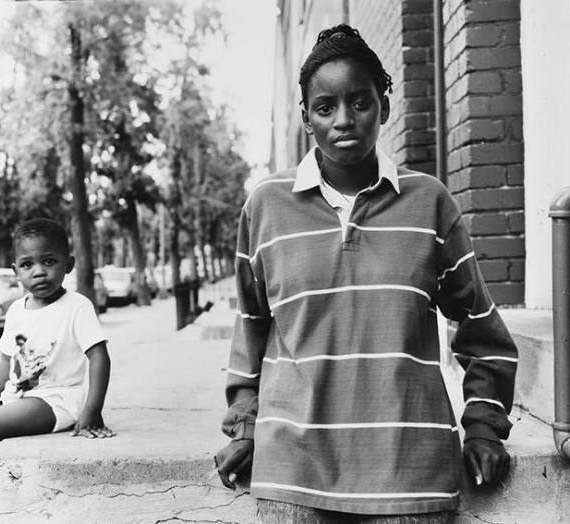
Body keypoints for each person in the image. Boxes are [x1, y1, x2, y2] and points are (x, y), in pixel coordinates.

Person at [215, 24, 517, 523]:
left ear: (385, 107)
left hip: (409, 476)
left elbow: (482, 330)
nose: (343, 120)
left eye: (360, 102)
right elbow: (252, 325)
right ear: (306, 118)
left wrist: (484, 426)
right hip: (292, 478)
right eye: (325, 107)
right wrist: (246, 424)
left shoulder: (430, 203)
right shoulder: (265, 206)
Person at [0, 218, 114, 455]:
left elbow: (99, 358)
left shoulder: (77, 306)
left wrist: (93, 409)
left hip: (58, 399)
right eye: (27, 265)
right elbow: (6, 361)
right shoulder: (16, 310)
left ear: (68, 265)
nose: (38, 272)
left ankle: (0, 488)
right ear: (16, 271)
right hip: (17, 397)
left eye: (48, 261)